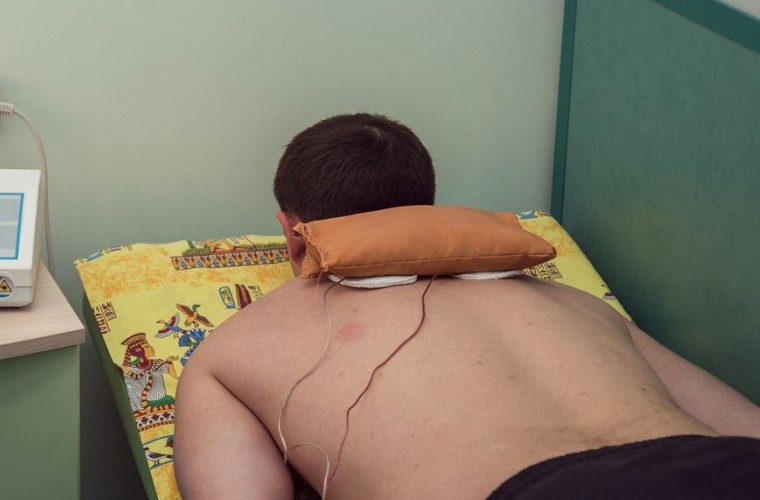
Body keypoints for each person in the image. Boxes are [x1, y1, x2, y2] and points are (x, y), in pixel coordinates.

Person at [174, 113, 760, 499]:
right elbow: (746, 426)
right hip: (730, 470)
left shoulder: (236, 346)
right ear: (427, 209)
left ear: (291, 232)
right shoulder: (578, 305)